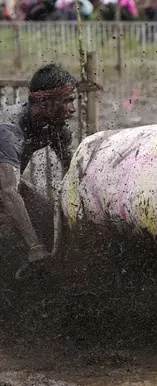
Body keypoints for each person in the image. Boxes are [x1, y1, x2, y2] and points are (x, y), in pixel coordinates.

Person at [0, 64, 77, 280]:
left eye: (73, 100)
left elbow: (71, 169)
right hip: (4, 187)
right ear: (44, 101)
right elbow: (7, 193)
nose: (72, 109)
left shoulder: (53, 125)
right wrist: (34, 247)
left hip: (7, 183)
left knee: (44, 212)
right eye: (67, 101)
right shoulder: (8, 130)